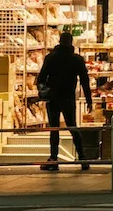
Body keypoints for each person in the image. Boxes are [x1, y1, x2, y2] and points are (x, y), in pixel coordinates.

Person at [36, 31, 92, 171]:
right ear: (71, 42)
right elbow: (85, 81)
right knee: (72, 126)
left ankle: (54, 159)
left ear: (59, 41)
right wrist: (89, 99)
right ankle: (83, 158)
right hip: (68, 97)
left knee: (54, 128)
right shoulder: (76, 59)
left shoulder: (50, 58)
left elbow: (41, 78)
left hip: (53, 96)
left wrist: (43, 89)